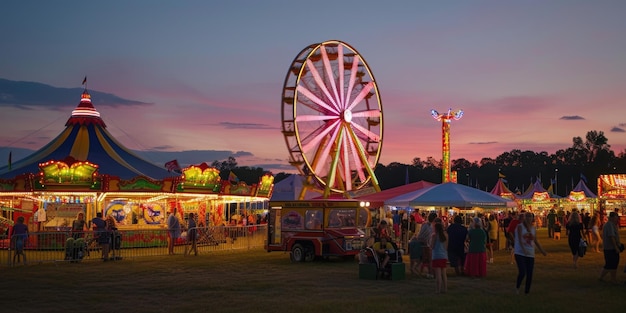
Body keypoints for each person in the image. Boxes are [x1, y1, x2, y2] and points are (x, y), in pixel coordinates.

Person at [514, 212, 547, 294]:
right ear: (525, 218)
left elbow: (535, 240)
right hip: (520, 253)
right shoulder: (520, 227)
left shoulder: (533, 228)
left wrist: (542, 250)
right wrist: (523, 249)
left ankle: (527, 292)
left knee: (530, 273)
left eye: (530, 217)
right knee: (522, 272)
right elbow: (519, 239)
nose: (529, 218)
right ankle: (517, 287)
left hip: (530, 253)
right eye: (527, 217)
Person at [598, 211, 622, 284]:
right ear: (612, 217)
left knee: (609, 264)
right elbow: (612, 236)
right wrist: (616, 247)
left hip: (608, 247)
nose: (617, 218)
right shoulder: (610, 225)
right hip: (610, 248)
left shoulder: (609, 225)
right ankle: (613, 279)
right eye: (616, 217)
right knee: (613, 263)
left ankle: (601, 277)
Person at [416, 212, 437, 278]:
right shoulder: (430, 226)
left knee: (426, 259)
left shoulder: (425, 225)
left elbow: (421, 234)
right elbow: (425, 235)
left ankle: (424, 271)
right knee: (430, 260)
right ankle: (431, 273)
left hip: (424, 243)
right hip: (427, 244)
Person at [430, 220, 448, 294]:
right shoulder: (446, 235)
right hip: (444, 255)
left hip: (437, 255)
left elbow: (432, 246)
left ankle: (438, 289)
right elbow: (446, 246)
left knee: (438, 274)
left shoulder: (434, 236)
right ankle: (445, 288)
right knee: (444, 273)